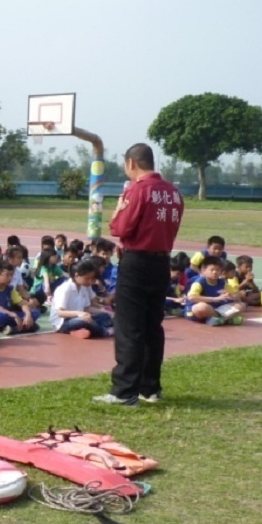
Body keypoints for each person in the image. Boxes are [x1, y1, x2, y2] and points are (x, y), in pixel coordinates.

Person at [94, 142, 184, 406]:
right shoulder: (174, 193)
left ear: (131, 163)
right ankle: (150, 387)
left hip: (136, 262)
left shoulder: (138, 190)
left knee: (129, 328)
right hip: (161, 262)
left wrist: (118, 211)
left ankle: (124, 391)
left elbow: (120, 228)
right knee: (152, 327)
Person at [51, 260, 115, 338]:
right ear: (76, 276)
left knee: (105, 316)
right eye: (87, 278)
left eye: (92, 279)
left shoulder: (83, 287)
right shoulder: (64, 289)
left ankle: (78, 331)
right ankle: (105, 331)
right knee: (84, 321)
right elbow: (60, 313)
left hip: (78, 318)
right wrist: (79, 313)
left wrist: (104, 311)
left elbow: (86, 308)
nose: (90, 281)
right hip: (63, 322)